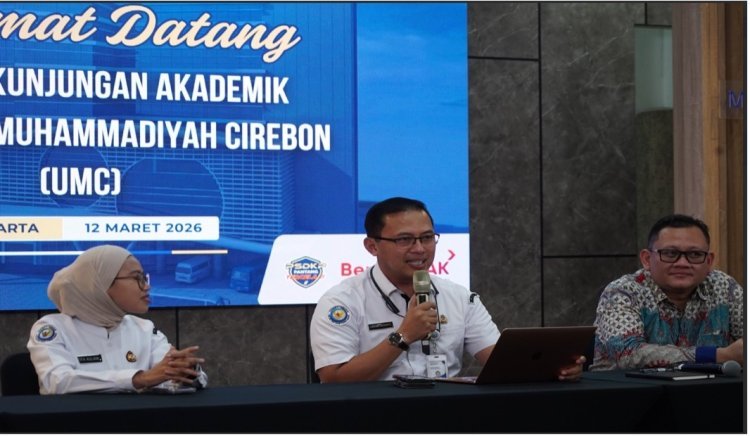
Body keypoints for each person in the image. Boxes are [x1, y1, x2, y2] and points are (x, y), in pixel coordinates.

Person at [310, 197, 585, 382]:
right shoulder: (342, 302)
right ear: (372, 246)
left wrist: (555, 368)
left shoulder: (459, 297)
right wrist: (403, 336)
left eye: (427, 237)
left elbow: (500, 361)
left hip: (447, 416)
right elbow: (333, 379)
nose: (420, 249)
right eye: (405, 240)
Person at [27, 244, 208, 394]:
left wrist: (185, 372)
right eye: (137, 278)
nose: (146, 287)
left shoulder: (144, 329)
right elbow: (57, 382)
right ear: (100, 284)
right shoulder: (54, 328)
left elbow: (167, 377)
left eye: (144, 278)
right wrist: (138, 379)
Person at [591, 214, 744, 371]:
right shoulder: (623, 292)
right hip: (627, 385)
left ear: (709, 261)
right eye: (670, 253)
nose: (682, 263)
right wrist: (717, 355)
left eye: (695, 254)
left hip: (708, 385)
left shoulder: (724, 287)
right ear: (647, 259)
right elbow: (628, 353)